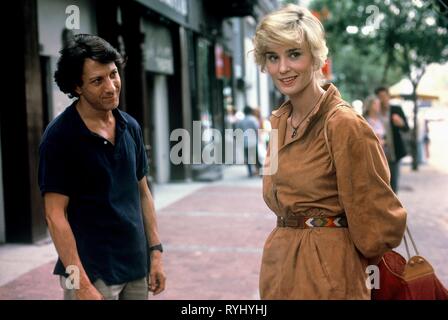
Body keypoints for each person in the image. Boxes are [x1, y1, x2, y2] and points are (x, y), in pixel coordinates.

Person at [253, 5, 407, 299]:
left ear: (315, 57)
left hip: (329, 276)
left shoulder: (344, 124)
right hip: (279, 269)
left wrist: (339, 255)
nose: (283, 67)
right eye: (273, 57)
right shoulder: (280, 122)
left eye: (294, 54)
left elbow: (379, 220)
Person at [38, 34, 166, 300]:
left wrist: (156, 253)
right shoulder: (60, 137)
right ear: (77, 86)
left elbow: (143, 193)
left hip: (135, 266)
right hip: (92, 272)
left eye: (113, 74)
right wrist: (80, 283)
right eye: (98, 80)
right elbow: (54, 215)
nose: (111, 86)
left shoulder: (130, 127)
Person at [375, 86, 410, 192]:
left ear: (388, 96)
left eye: (384, 96)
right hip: (378, 151)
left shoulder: (396, 109)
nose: (383, 99)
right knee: (381, 182)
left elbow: (406, 128)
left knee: (393, 181)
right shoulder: (375, 111)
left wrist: (401, 123)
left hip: (394, 152)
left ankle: (393, 206)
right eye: (380, 97)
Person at [236, 106, 261, 177]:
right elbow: (257, 129)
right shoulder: (253, 120)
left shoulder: (241, 121)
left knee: (248, 157)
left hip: (245, 141)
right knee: (255, 157)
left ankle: (250, 172)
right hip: (253, 141)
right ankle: (259, 171)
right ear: (250, 111)